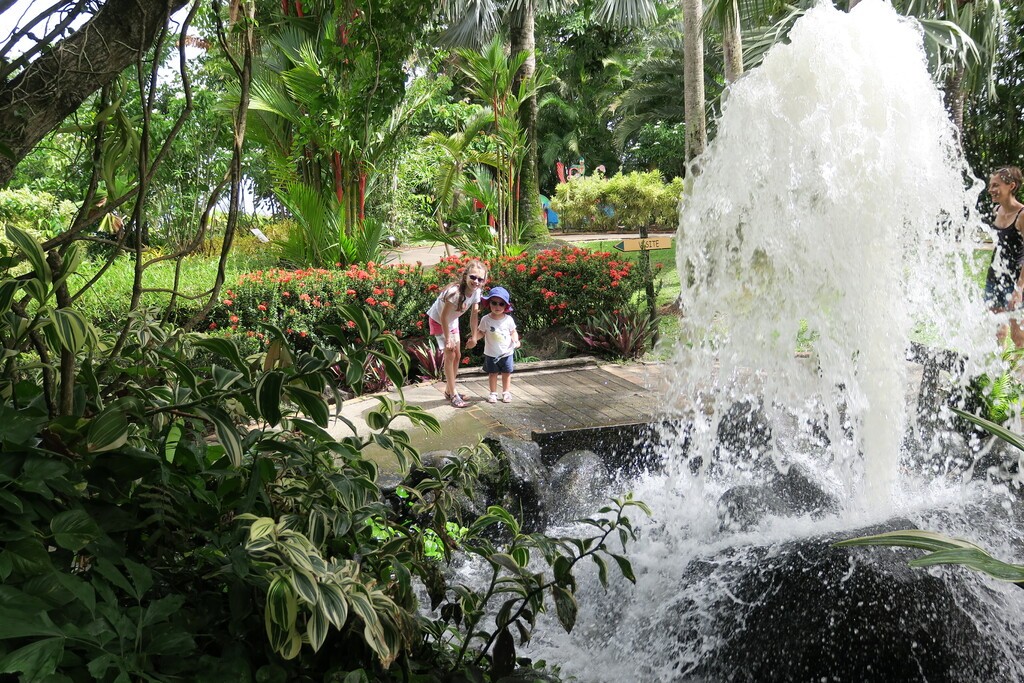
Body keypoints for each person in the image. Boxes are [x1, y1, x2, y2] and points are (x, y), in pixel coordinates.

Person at [426, 259, 487, 408]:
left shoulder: (477, 291)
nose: (476, 281)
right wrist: (448, 339)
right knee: (450, 354)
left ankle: (448, 390)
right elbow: (443, 317)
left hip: (452, 321)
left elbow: (474, 315)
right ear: (465, 276)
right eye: (473, 277)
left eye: (480, 279)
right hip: (439, 321)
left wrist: (474, 336)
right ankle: (453, 394)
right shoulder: (455, 293)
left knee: (458, 355)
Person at [984, 166, 1024, 348]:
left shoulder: (1022, 215)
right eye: (990, 185)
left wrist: (1020, 288)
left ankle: (1019, 375)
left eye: (996, 185)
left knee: (1018, 335)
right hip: (995, 276)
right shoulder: (996, 211)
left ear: (1011, 186)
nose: (991, 189)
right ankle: (1002, 374)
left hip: (1016, 280)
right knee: (998, 332)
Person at [473, 286, 521, 404]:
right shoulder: (486, 319)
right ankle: (493, 393)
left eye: (501, 304)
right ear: (489, 304)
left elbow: (513, 332)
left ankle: (506, 392)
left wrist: (516, 340)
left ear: (505, 306)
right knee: (492, 373)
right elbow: (481, 332)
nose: (497, 307)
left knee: (506, 373)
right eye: (494, 303)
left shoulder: (508, 320)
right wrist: (474, 339)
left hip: (507, 352)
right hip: (491, 353)